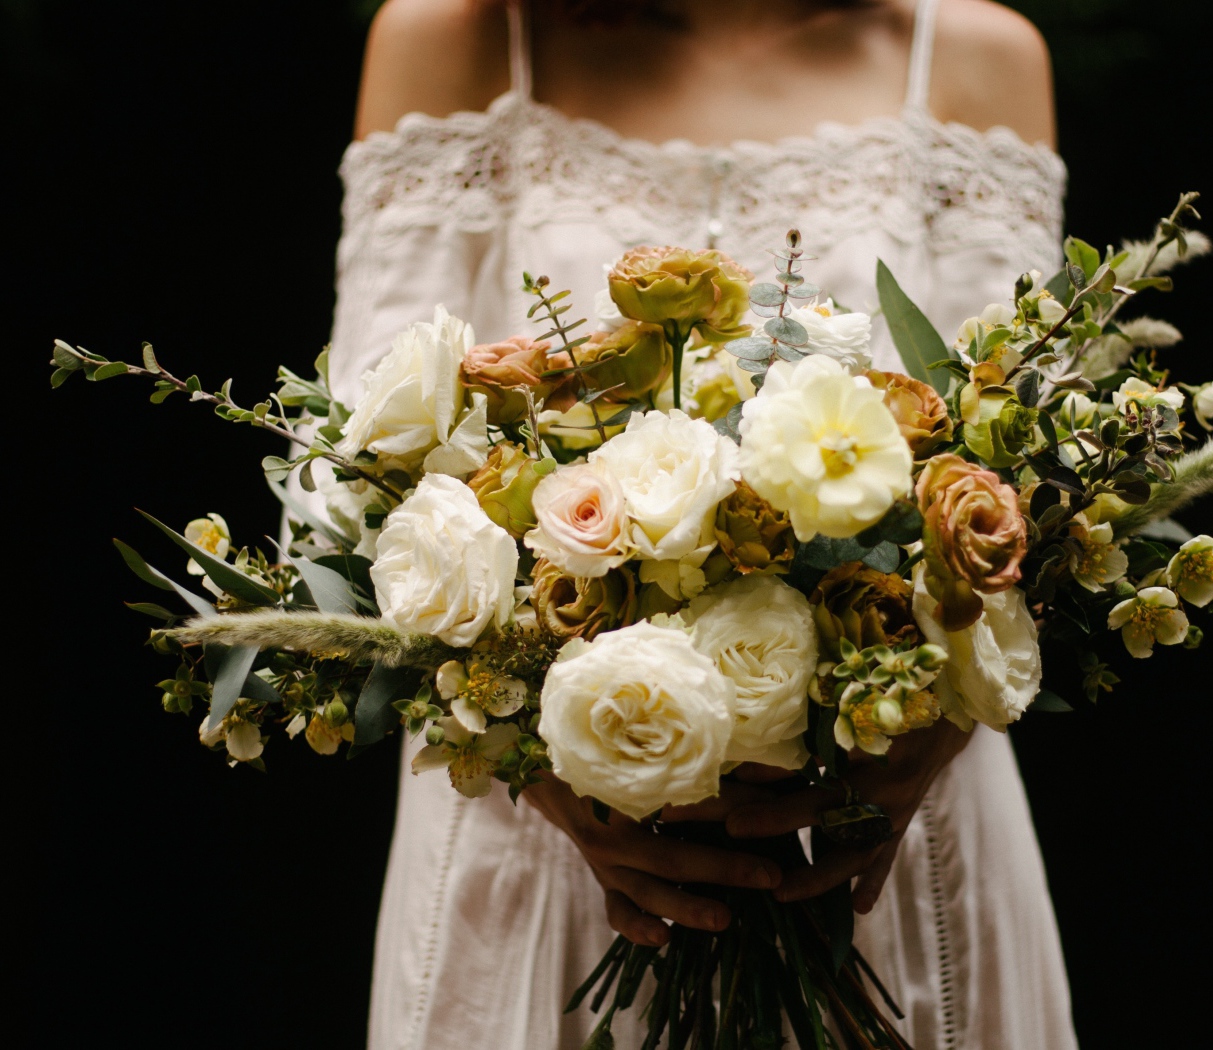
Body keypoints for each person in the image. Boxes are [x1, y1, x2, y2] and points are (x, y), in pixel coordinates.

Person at [334, 1, 1076, 1046]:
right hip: (541, 849)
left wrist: (933, 728)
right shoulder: (455, 41)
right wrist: (541, 760)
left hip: (884, 826)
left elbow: (1033, 469)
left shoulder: (970, 56)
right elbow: (359, 475)